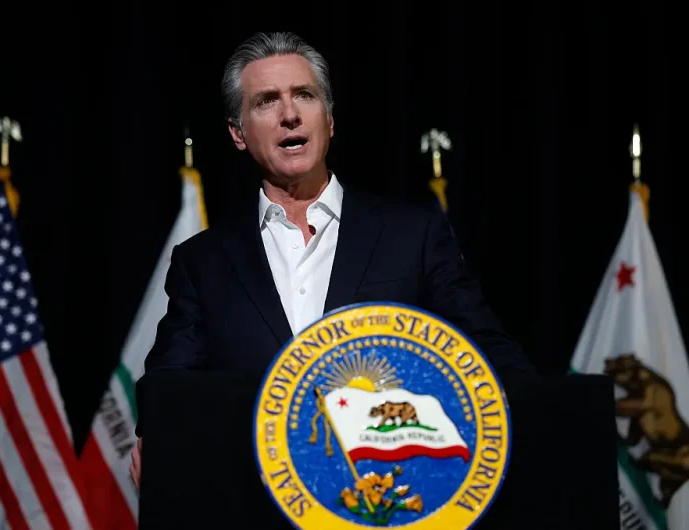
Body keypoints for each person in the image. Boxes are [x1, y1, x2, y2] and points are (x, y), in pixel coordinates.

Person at [129, 31, 539, 489]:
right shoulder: (202, 262)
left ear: (329, 119)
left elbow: (488, 352)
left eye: (304, 96)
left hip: (390, 497)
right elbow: (168, 382)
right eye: (266, 101)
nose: (289, 115)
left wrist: (539, 425)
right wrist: (157, 432)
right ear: (238, 133)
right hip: (252, 499)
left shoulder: (412, 235)